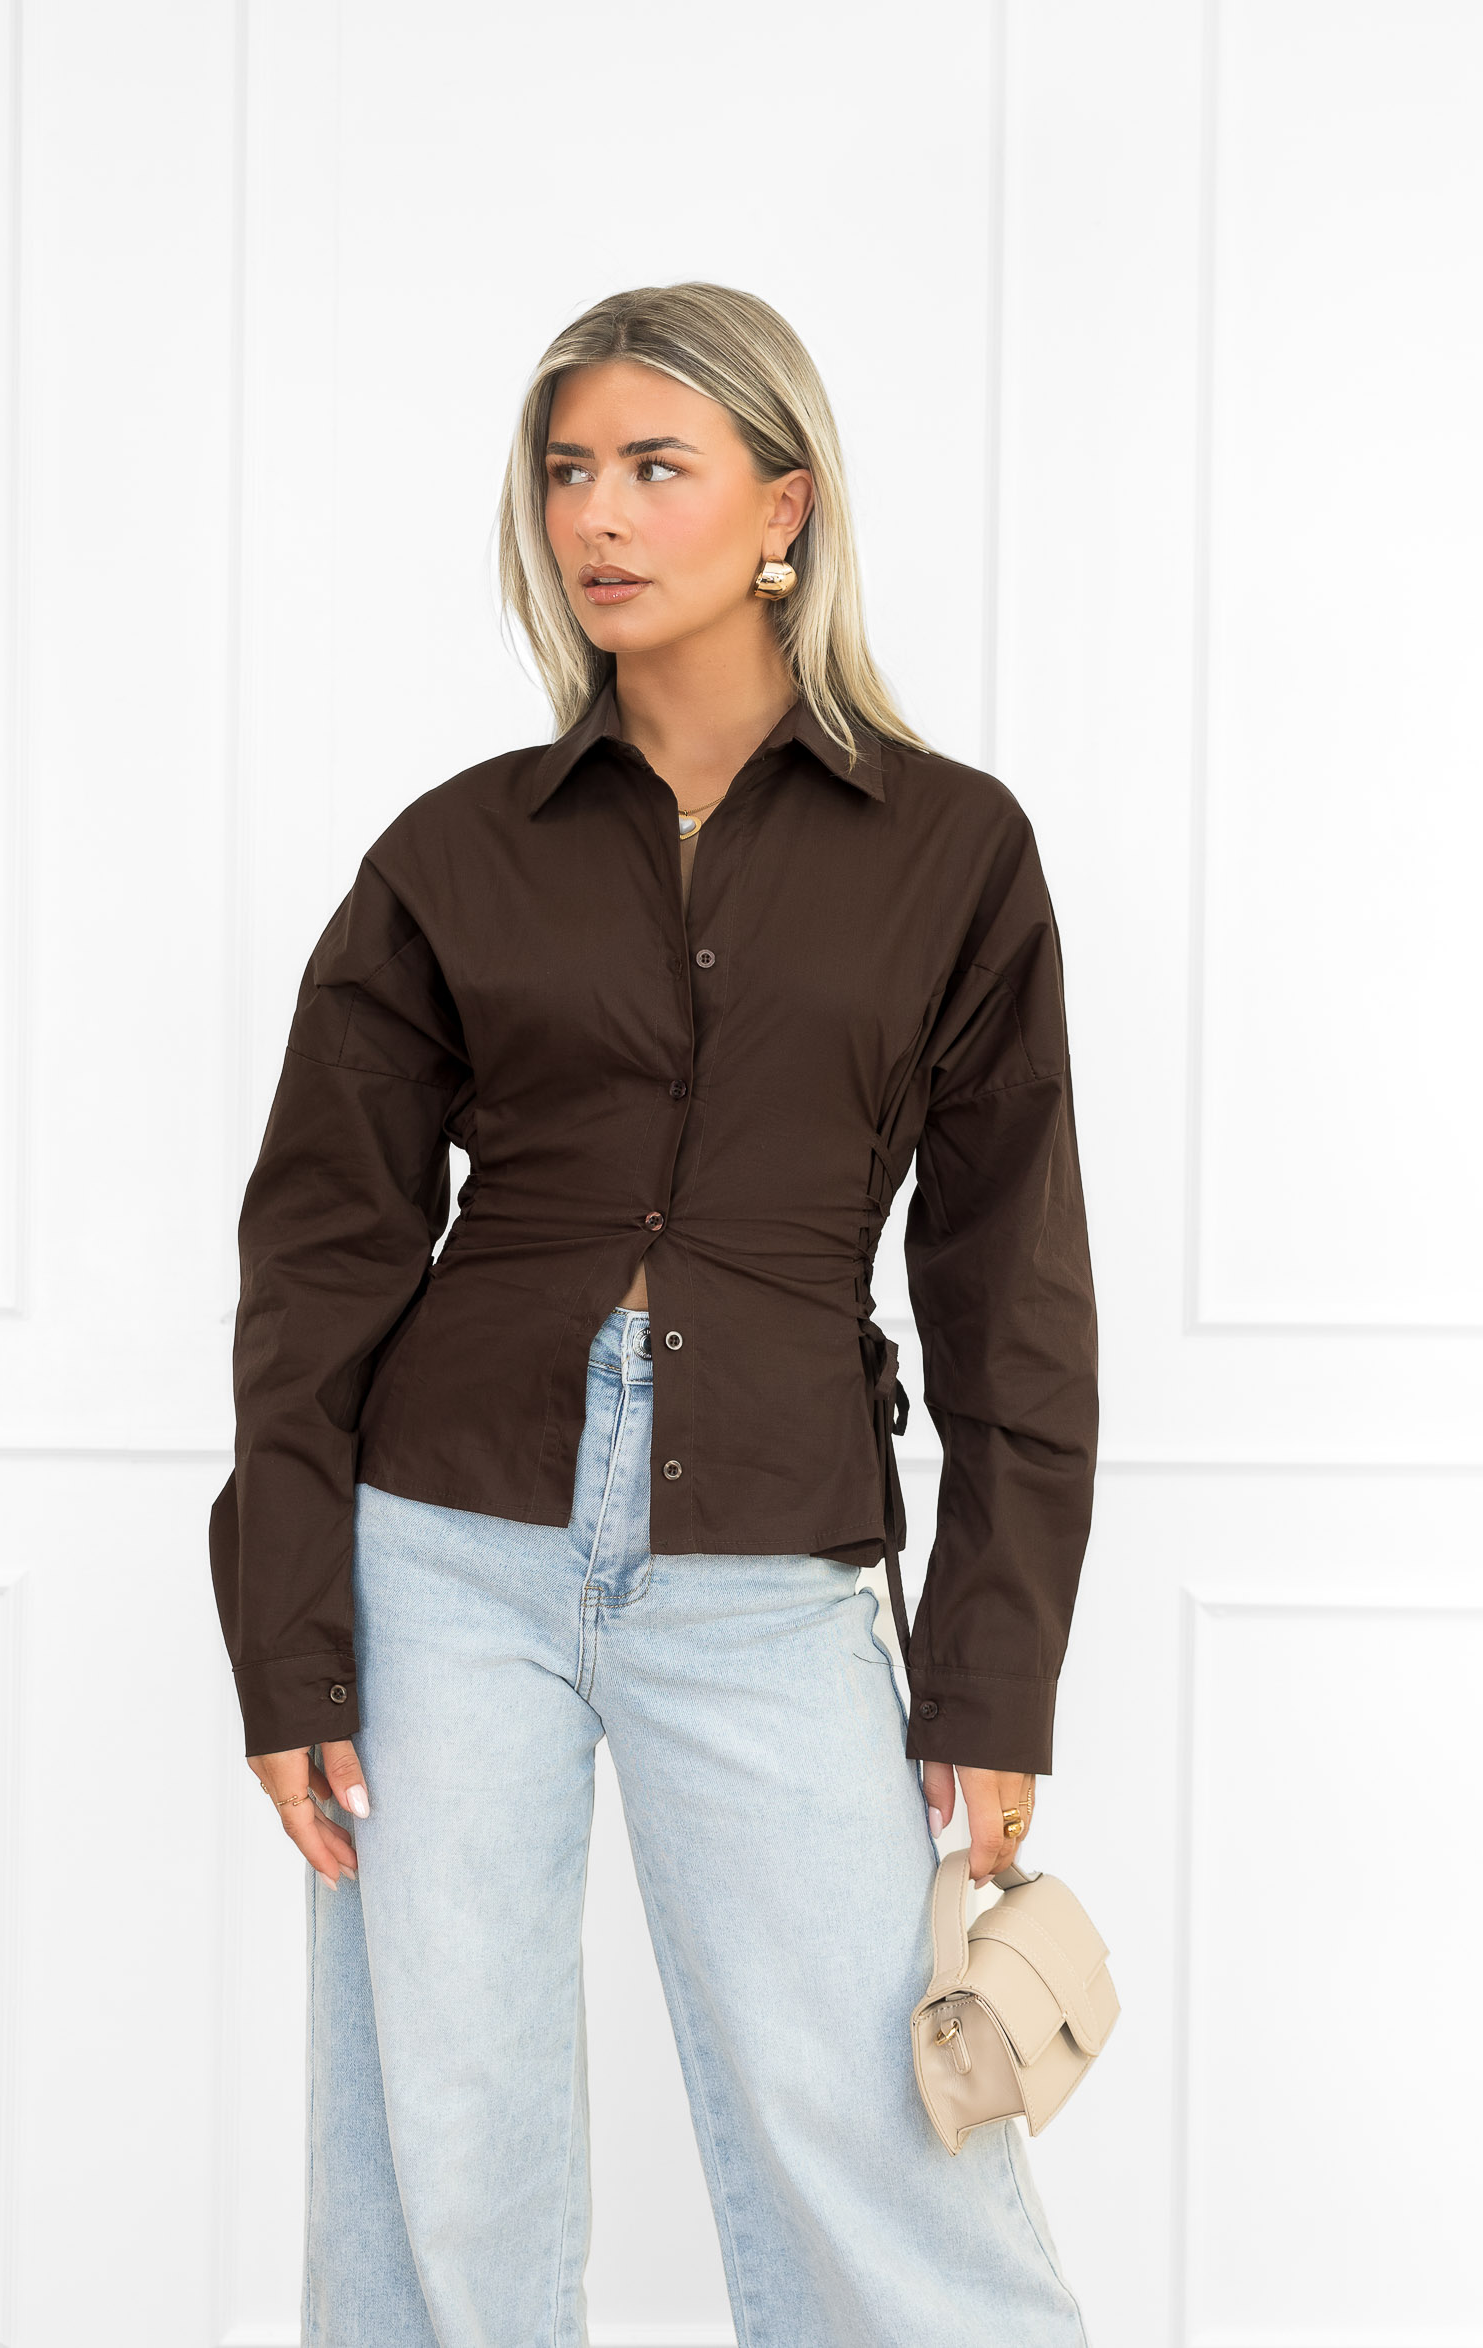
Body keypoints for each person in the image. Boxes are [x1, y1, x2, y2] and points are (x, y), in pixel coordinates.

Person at [209, 282, 1100, 2346]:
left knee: (879, 2116)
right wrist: (289, 1631)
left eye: (652, 465)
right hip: (445, 1543)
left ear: (784, 506)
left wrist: (993, 1669)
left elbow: (1012, 1285)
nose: (596, 515)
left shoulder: (954, 852)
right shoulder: (459, 851)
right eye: (567, 471)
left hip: (768, 1551)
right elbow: (320, 1257)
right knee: (443, 2133)